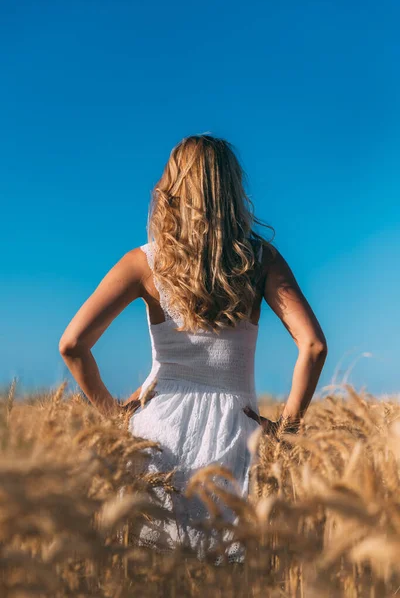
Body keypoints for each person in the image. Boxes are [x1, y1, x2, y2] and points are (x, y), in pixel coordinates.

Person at [59, 134, 328, 559]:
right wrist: (286, 430)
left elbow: (73, 344)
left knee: (157, 574)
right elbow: (312, 345)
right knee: (231, 574)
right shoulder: (261, 260)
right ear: (231, 188)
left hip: (157, 434)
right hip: (236, 435)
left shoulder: (142, 263)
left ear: (172, 187)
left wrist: (112, 416)